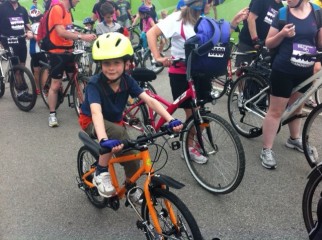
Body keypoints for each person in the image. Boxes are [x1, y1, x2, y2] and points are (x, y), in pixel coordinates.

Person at [79, 32, 183, 199]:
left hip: (115, 123)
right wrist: (104, 139)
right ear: (100, 64)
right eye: (106, 63)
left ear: (126, 63)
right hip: (91, 121)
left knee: (133, 156)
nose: (111, 67)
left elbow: (149, 101)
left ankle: (130, 187)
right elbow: (96, 112)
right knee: (117, 133)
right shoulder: (94, 84)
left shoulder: (127, 81)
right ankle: (101, 171)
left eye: (116, 62)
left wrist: (171, 119)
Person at [147, 0, 248, 163]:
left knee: (199, 111)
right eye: (208, 1)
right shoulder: (177, 18)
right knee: (192, 113)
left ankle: (193, 142)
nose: (211, 4)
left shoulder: (205, 20)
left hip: (201, 72)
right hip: (180, 72)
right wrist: (157, 57)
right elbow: (152, 33)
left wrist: (234, 22)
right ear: (197, 3)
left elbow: (219, 38)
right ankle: (188, 147)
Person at [261, 0, 322, 169]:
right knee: (276, 111)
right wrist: (282, 34)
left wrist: (318, 60)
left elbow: (320, 42)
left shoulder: (317, 12)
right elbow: (268, 43)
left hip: (305, 72)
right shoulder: (282, 13)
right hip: (283, 71)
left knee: (297, 107)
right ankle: (266, 149)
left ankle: (294, 139)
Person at [47, 0, 97, 127]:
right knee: (56, 84)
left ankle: (81, 106)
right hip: (57, 52)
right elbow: (61, 32)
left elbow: (70, 30)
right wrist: (82, 37)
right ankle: (52, 114)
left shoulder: (68, 12)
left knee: (75, 76)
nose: (79, 1)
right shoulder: (57, 9)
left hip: (69, 50)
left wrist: (84, 33)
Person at [0, 0, 34, 102]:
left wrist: (30, 31)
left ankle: (23, 89)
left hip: (21, 41)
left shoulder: (22, 9)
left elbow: (27, 25)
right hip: (8, 41)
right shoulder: (2, 8)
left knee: (22, 67)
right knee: (17, 68)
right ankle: (20, 92)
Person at [235, 0, 284, 68]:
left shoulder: (281, 8)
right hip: (248, 42)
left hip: (262, 46)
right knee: (242, 71)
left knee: (257, 74)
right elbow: (251, 19)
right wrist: (255, 40)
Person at [29, 8, 48, 95]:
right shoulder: (39, 25)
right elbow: (38, 38)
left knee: (36, 70)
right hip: (41, 50)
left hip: (33, 51)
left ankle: (38, 88)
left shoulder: (30, 26)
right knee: (45, 70)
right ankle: (45, 88)